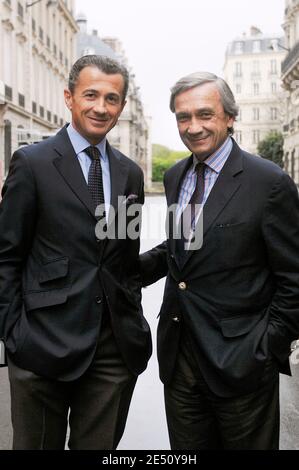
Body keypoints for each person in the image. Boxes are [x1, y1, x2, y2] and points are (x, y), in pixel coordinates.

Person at [140, 72, 299, 450]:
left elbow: (294, 279)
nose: (193, 127)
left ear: (229, 116)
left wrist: (265, 347)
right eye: (183, 117)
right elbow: (181, 248)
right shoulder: (177, 175)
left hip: (242, 366)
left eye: (204, 114)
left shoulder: (269, 182)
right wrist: (119, 268)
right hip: (180, 361)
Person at [0, 55, 152, 450]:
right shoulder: (31, 164)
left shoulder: (130, 173)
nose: (101, 107)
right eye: (91, 95)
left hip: (110, 353)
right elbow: (7, 256)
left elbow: (123, 260)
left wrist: (130, 321)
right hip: (40, 347)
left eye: (112, 98)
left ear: (121, 106)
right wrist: (14, 336)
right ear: (69, 98)